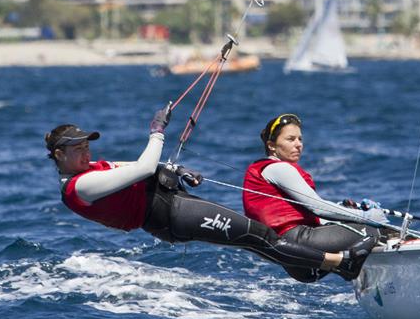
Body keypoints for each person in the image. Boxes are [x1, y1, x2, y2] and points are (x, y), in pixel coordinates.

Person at [45, 104, 373, 282]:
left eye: (87, 146)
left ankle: (320, 266)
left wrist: (175, 171)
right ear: (59, 155)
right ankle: (341, 262)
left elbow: (139, 168)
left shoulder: (92, 169)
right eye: (77, 150)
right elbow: (143, 168)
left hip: (173, 204)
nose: (85, 153)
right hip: (169, 215)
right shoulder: (79, 187)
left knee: (256, 239)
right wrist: (157, 133)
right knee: (259, 236)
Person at [242, 113, 388, 283]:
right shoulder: (278, 168)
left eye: (300, 139)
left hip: (299, 262)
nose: (298, 145)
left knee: (370, 231)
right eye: (291, 139)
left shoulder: (265, 170)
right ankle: (356, 264)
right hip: (298, 243)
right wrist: (366, 217)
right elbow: (317, 207)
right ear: (272, 146)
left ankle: (357, 265)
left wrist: (347, 210)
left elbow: (304, 211)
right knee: (375, 231)